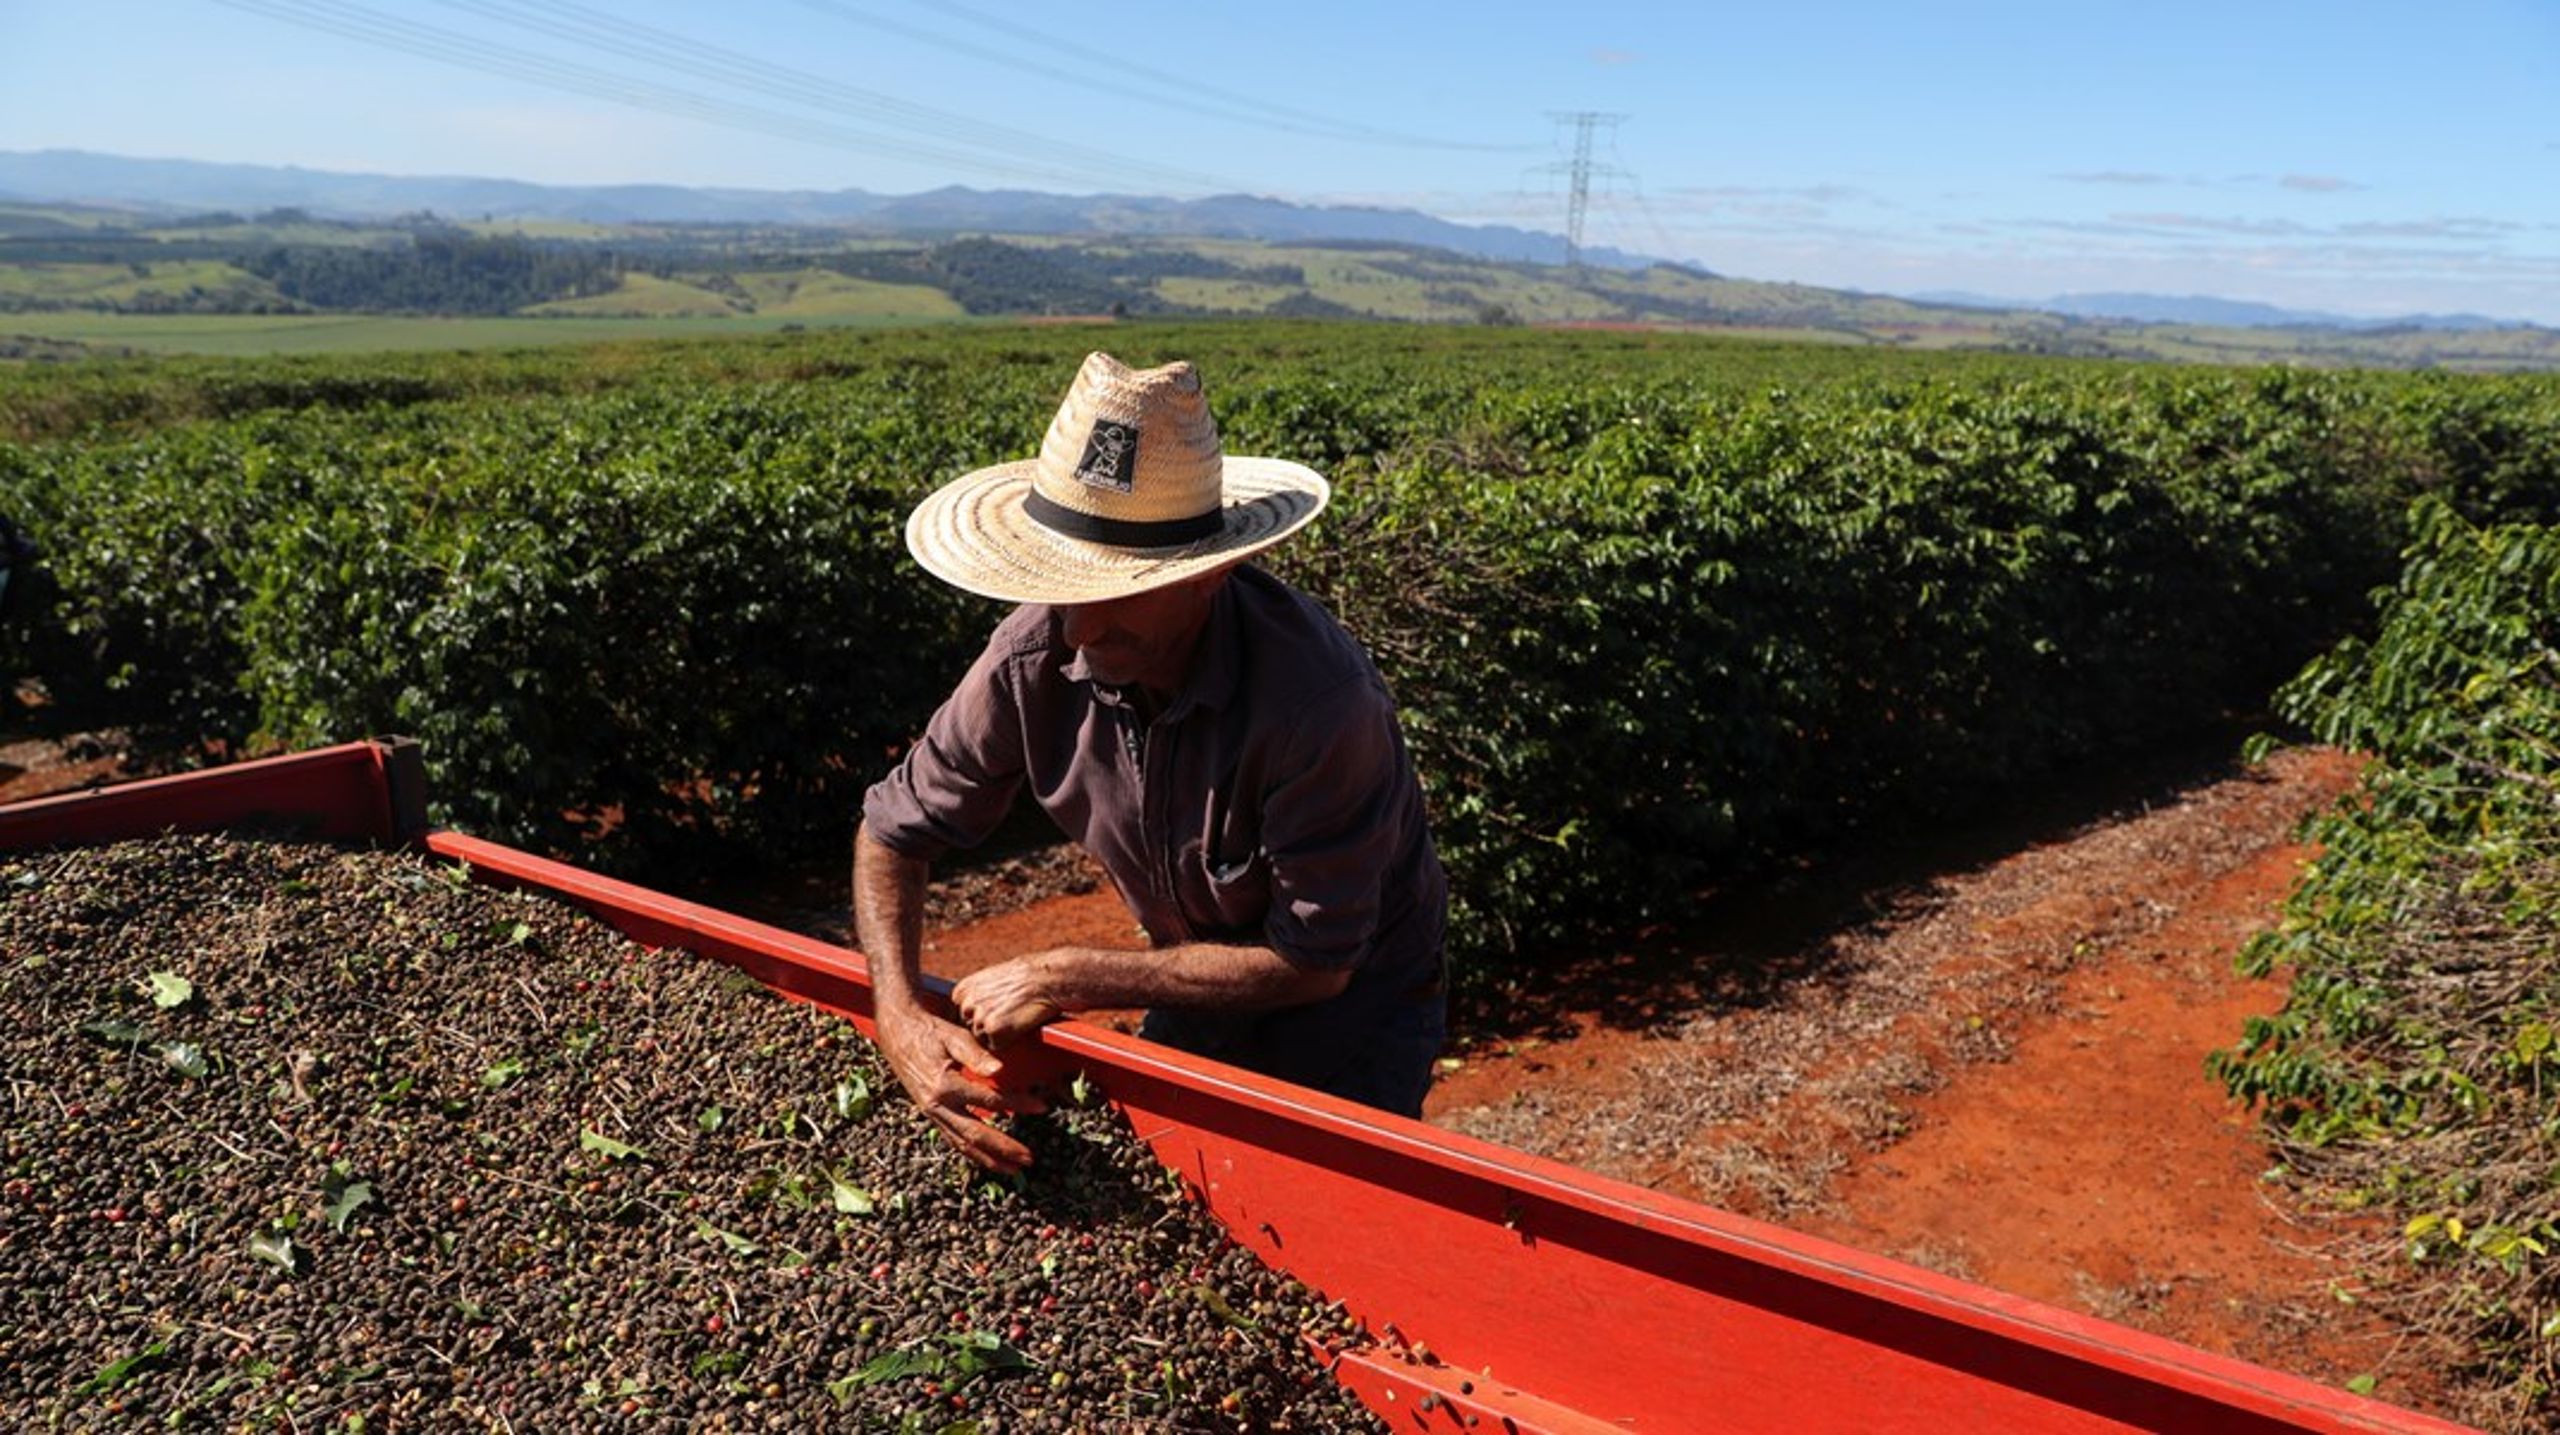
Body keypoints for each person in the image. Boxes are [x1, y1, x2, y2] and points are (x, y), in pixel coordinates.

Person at [854, 352, 1449, 1173]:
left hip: (1358, 1003)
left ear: (1210, 575)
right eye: (1067, 592)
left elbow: (1316, 965)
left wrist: (1066, 972)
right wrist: (896, 1013)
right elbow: (892, 831)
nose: (1082, 633)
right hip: (1193, 964)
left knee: (1327, 1201)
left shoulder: (1318, 706)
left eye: (1117, 595)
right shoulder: (1036, 650)